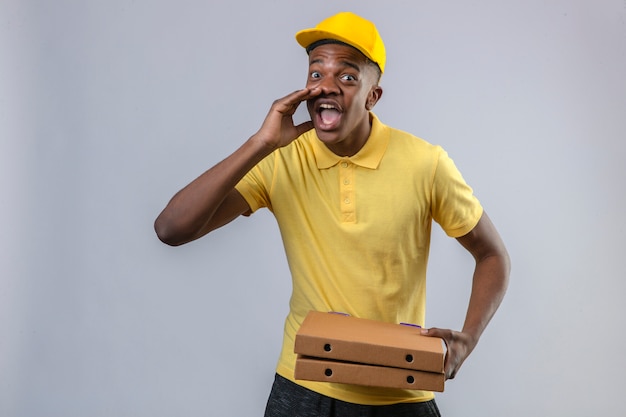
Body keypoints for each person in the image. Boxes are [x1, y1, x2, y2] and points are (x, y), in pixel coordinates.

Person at [154, 11, 510, 417]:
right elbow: (170, 228)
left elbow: (492, 254)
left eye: (347, 76)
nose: (327, 85)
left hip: (399, 391)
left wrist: (468, 337)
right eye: (316, 73)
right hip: (303, 387)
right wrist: (261, 142)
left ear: (373, 96)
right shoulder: (281, 159)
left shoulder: (425, 163)